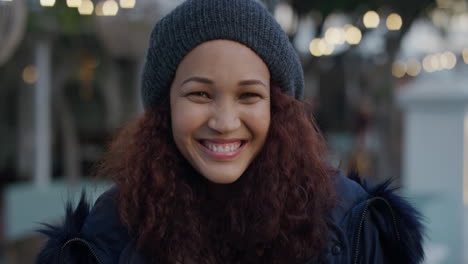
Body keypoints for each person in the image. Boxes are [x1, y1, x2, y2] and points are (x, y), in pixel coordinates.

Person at [36, 0, 425, 263]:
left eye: (248, 95)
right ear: (165, 106)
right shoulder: (106, 236)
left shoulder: (353, 222)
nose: (224, 122)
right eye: (200, 94)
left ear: (278, 108)